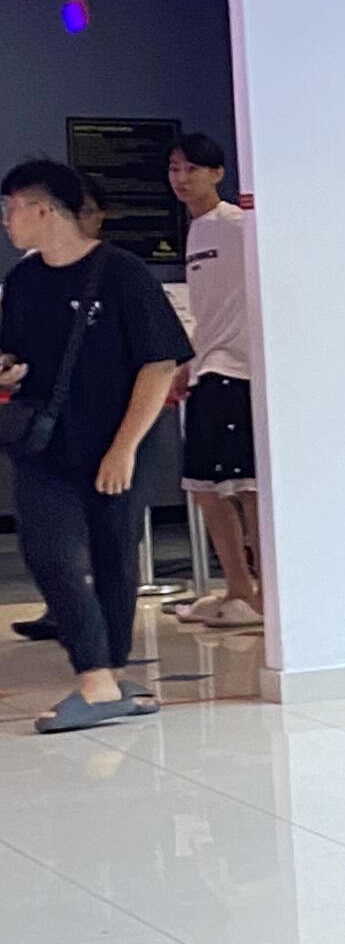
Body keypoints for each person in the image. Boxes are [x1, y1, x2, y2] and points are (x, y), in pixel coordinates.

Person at [2, 159, 187, 729]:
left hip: (116, 441)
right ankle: (94, 675)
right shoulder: (23, 281)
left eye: (11, 209)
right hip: (43, 442)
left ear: (42, 210)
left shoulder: (123, 275)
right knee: (50, 552)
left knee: (114, 554)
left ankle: (109, 673)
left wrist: (124, 447)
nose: (7, 221)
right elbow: (14, 350)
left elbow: (159, 364)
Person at [163, 130, 262, 631]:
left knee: (246, 487)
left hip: (237, 370)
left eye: (192, 169)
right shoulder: (197, 230)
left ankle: (266, 596)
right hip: (206, 368)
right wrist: (187, 364)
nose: (181, 178)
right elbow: (208, 310)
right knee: (203, 487)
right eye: (174, 169)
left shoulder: (237, 224)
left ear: (217, 173)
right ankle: (237, 588)